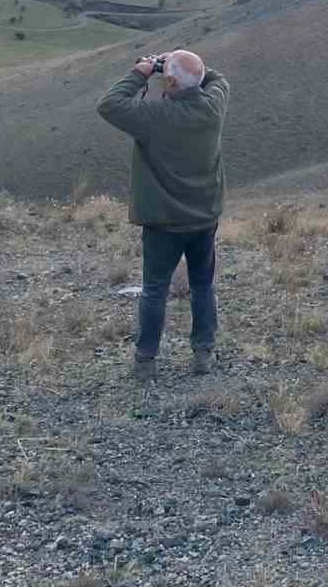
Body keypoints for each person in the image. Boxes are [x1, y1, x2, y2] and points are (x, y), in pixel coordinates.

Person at [97, 49, 230, 384]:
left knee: (155, 289)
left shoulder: (154, 117)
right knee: (202, 285)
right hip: (204, 218)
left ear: (168, 81)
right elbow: (216, 79)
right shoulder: (214, 106)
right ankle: (203, 353)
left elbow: (109, 104)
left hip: (165, 223)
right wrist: (183, 65)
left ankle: (146, 361)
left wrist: (144, 71)